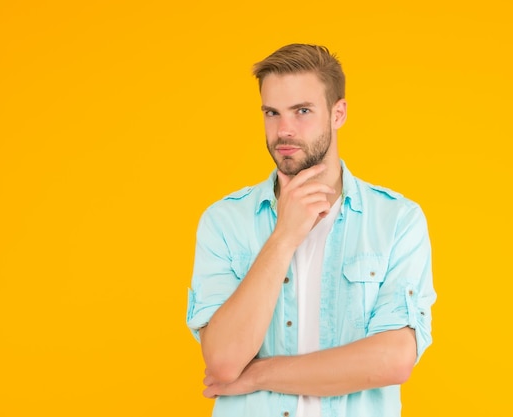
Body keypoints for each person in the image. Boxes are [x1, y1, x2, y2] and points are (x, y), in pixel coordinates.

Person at [186, 43, 436, 417]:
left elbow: (393, 359)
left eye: (302, 111)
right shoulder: (224, 222)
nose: (284, 129)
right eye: (272, 113)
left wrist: (257, 376)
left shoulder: (396, 220)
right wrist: (285, 235)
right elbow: (223, 361)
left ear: (338, 113)